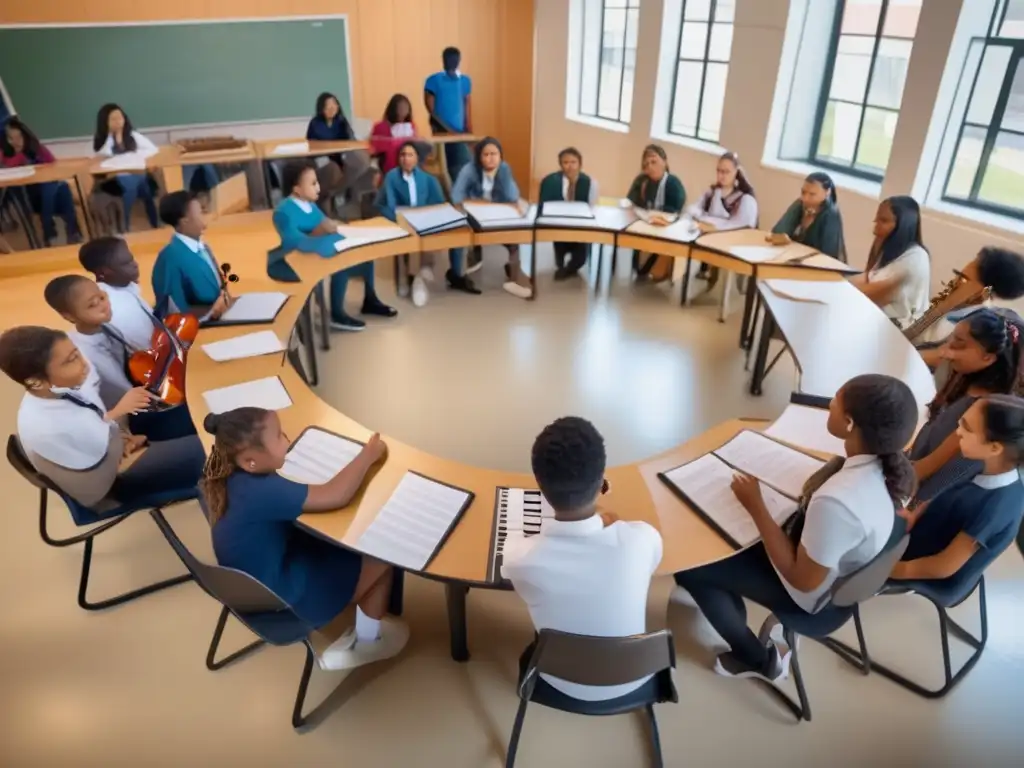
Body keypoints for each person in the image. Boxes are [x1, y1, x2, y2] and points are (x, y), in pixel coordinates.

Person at [673, 374, 918, 681]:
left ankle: (757, 660)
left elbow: (802, 581)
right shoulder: (885, 468)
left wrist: (756, 506)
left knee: (691, 568)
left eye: (835, 400)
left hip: (812, 594)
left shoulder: (837, 502)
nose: (829, 404)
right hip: (834, 565)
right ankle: (726, 597)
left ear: (850, 422)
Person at [203, 407, 408, 671]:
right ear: (251, 461)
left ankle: (367, 612)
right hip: (285, 600)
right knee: (383, 552)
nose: (287, 439)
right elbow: (337, 495)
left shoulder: (231, 476)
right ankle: (368, 640)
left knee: (337, 537)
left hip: (254, 587)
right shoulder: (263, 491)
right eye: (278, 437)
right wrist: (368, 455)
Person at [501, 417, 664, 702]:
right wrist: (609, 521)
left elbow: (522, 581)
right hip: (635, 677)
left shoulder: (522, 558)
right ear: (602, 481)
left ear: (540, 485)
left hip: (559, 681)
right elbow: (650, 562)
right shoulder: (642, 539)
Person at [0, 325, 204, 510]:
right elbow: (99, 446)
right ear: (36, 382)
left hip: (112, 449)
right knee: (212, 449)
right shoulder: (50, 424)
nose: (84, 364)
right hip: (111, 482)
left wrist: (119, 434)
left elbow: (97, 423)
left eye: (76, 352)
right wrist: (118, 435)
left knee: (193, 413)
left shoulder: (57, 389)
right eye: (70, 361)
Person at [42, 274, 195, 441]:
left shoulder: (107, 328)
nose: (104, 305)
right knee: (201, 415)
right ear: (69, 316)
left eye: (102, 297)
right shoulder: (81, 356)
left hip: (147, 399)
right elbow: (90, 415)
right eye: (92, 305)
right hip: (129, 420)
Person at [893, 395, 1024, 581]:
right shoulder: (980, 464)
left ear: (994, 448)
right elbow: (942, 496)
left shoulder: (998, 506)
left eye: (967, 428)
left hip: (919, 568)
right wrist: (914, 514)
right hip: (914, 540)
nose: (958, 432)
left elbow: (943, 566)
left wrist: (889, 570)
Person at [909, 309, 1024, 503]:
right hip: (910, 462)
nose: (945, 351)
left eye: (959, 345)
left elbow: (922, 472)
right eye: (951, 339)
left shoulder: (975, 419)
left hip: (915, 494)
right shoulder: (967, 379)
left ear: (988, 358)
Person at [272, 160, 396, 331]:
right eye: (313, 184)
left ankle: (370, 299)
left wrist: (334, 226)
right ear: (297, 189)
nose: (318, 188)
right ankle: (337, 314)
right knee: (342, 263)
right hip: (296, 261)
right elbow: (294, 243)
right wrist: (321, 231)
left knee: (366, 256)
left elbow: (324, 222)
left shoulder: (309, 203)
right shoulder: (284, 212)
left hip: (320, 250)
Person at [375, 141, 480, 305]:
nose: (406, 159)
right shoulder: (392, 177)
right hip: (402, 220)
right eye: (403, 155)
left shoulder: (429, 179)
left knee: (458, 226)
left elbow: (439, 205)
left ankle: (455, 273)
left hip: (424, 220)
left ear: (417, 158)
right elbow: (382, 204)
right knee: (412, 239)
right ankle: (412, 277)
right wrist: (396, 218)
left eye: (410, 155)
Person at [450, 137, 531, 299]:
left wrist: (499, 174)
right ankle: (456, 275)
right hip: (473, 213)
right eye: (485, 154)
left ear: (501, 156)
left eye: (494, 154)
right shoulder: (469, 170)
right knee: (458, 230)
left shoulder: (505, 169)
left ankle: (514, 273)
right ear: (479, 156)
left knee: (516, 230)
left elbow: (512, 196)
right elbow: (456, 197)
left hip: (497, 213)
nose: (490, 158)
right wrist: (483, 203)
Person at [911, 246, 1024, 355]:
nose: (954, 281)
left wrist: (943, 306)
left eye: (962, 278)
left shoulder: (964, 327)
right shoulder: (960, 308)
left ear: (984, 292)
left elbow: (911, 340)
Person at [850, 196, 930, 329]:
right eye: (876, 220)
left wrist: (838, 286)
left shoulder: (915, 257)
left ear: (903, 224)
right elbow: (868, 277)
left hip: (902, 329)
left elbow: (874, 294)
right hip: (881, 318)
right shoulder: (892, 249)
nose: (875, 229)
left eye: (883, 221)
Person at [1, 116, 82, 245]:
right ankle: (63, 229)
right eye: (11, 138)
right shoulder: (4, 154)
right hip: (26, 197)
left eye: (19, 137)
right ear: (5, 139)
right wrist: (20, 154)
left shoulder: (36, 148)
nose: (15, 141)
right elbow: (6, 173)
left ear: (25, 135)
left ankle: (60, 230)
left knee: (62, 188)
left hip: (46, 196)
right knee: (54, 186)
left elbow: (53, 165)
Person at [152, 191, 231, 321]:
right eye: (201, 212)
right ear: (185, 221)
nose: (205, 215)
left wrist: (224, 299)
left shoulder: (204, 247)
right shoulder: (169, 258)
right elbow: (173, 310)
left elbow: (220, 286)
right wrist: (211, 313)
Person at [79, 236, 156, 351]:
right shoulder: (111, 306)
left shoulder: (124, 284)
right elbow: (144, 344)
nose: (135, 264)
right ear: (104, 271)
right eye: (126, 263)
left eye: (132, 259)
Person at [304, 92, 375, 215]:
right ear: (321, 108)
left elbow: (351, 140)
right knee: (334, 169)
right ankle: (331, 196)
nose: (332, 108)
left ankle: (336, 194)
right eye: (328, 105)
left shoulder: (341, 121)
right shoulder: (315, 123)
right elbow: (312, 147)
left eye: (334, 104)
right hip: (321, 160)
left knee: (362, 163)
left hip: (340, 158)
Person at [92, 103, 159, 230]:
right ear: (104, 122)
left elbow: (152, 149)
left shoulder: (132, 136)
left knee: (141, 182)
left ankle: (146, 223)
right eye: (113, 119)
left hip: (135, 174)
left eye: (120, 117)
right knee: (136, 184)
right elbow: (101, 156)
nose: (118, 121)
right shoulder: (101, 139)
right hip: (112, 179)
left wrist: (133, 154)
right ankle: (129, 223)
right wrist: (114, 136)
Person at [538, 147, 600, 280]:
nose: (570, 166)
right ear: (561, 165)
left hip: (581, 224)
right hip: (559, 223)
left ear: (580, 164)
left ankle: (569, 269)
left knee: (580, 259)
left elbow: (592, 207)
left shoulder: (590, 183)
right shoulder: (550, 181)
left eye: (573, 162)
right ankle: (561, 266)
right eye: (565, 162)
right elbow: (544, 204)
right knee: (560, 252)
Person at [627, 144, 687, 282]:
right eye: (646, 164)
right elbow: (632, 203)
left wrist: (655, 215)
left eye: (654, 161)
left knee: (656, 273)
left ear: (664, 162)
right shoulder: (641, 181)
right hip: (644, 226)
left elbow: (674, 212)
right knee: (639, 269)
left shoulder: (673, 183)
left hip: (665, 229)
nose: (650, 166)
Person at [424, 47, 473, 184]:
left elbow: (467, 105)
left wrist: (468, 131)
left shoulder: (465, 81)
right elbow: (432, 112)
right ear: (443, 60)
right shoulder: (433, 80)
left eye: (455, 58)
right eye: (449, 58)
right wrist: (449, 132)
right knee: (450, 165)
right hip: (441, 132)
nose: (452, 61)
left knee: (466, 163)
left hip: (460, 133)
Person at [770, 171, 845, 260]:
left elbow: (828, 255)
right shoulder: (800, 204)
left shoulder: (830, 214)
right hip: (792, 258)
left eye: (812, 194)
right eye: (803, 192)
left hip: (818, 266)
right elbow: (778, 233)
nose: (805, 198)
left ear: (827, 193)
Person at [686, 151, 757, 233]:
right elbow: (695, 208)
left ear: (736, 172)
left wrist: (715, 228)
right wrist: (696, 215)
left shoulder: (745, 199)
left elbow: (743, 226)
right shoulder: (711, 193)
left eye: (726, 172)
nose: (720, 175)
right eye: (718, 171)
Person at [370, 94, 430, 174]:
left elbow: (415, 140)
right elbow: (377, 145)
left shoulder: (411, 125)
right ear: (393, 109)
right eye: (400, 108)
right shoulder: (381, 126)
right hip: (390, 159)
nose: (404, 112)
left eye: (406, 109)